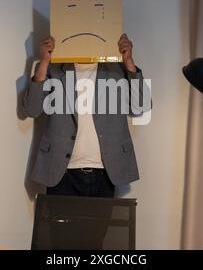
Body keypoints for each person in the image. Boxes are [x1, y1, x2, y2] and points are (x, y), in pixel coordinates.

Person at [22, 34, 149, 198]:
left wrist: (129, 61)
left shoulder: (117, 68)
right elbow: (32, 109)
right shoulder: (52, 67)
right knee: (60, 225)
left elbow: (141, 106)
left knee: (100, 225)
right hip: (61, 172)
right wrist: (44, 61)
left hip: (107, 172)